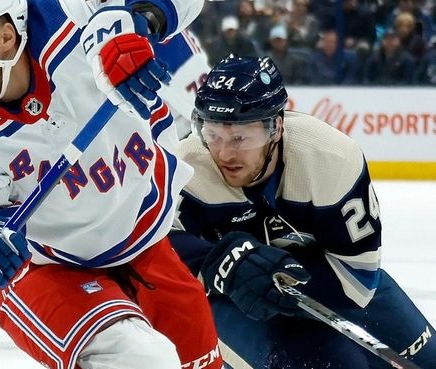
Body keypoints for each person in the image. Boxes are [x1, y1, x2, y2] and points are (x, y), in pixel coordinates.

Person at [0, 0, 223, 369]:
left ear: (5, 36)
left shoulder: (73, 18)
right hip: (49, 270)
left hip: (148, 244)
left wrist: (137, 22)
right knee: (143, 361)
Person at [168, 55, 436, 368]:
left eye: (241, 137)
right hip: (234, 301)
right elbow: (151, 253)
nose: (225, 152)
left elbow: (359, 280)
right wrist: (219, 263)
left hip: (331, 285)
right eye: (213, 134)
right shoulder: (185, 170)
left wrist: (282, 273)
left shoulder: (329, 158)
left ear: (276, 127)